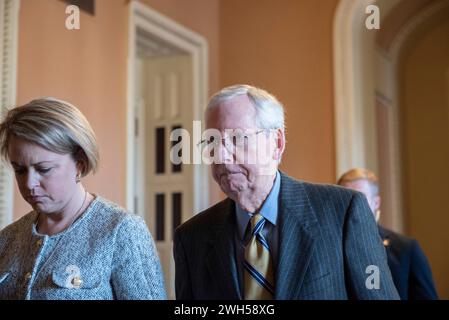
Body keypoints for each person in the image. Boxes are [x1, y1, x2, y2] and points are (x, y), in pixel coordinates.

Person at [173, 84, 399, 300]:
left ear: (277, 143)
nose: (220, 156)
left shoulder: (343, 212)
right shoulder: (192, 238)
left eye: (237, 138)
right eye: (212, 142)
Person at [0, 98, 167, 300]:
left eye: (44, 169)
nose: (29, 183)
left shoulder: (122, 231)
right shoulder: (7, 238)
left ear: (80, 163)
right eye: (20, 170)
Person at [337, 168, 438, 300]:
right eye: (343, 199)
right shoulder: (326, 248)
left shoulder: (406, 249)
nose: (350, 205)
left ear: (376, 202)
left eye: (358, 198)